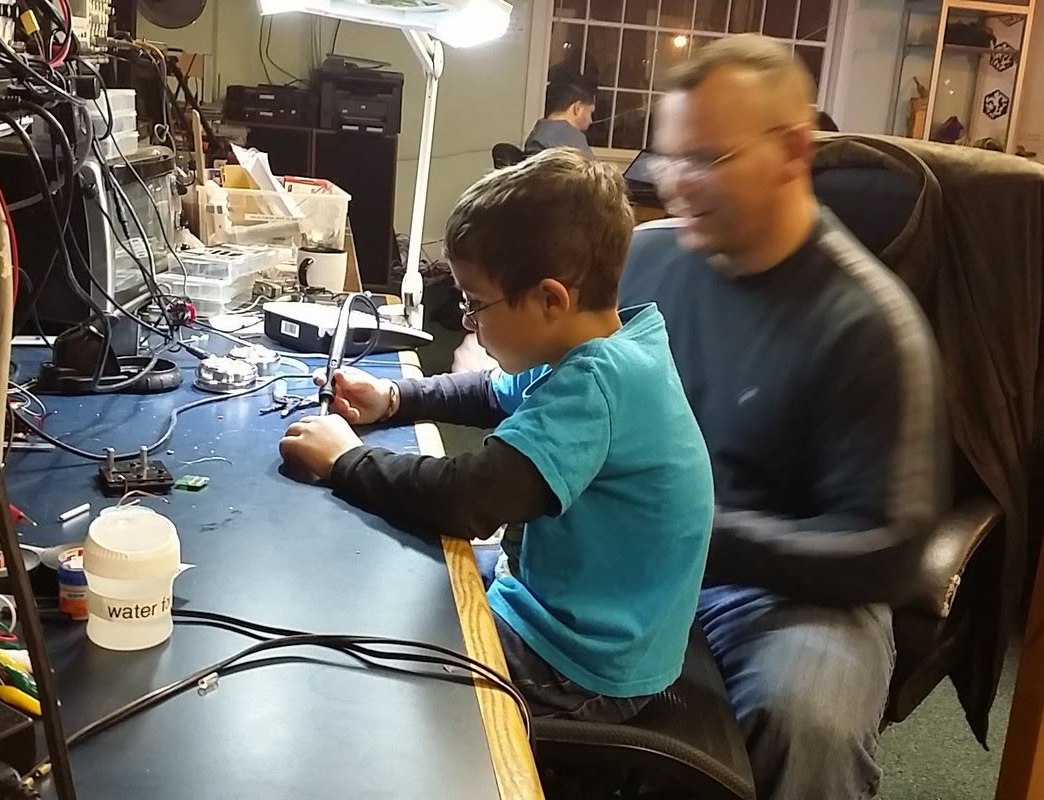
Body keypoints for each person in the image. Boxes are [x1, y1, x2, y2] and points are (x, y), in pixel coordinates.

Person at [279, 148, 715, 723]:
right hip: (560, 609)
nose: (469, 322)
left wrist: (347, 461)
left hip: (578, 662)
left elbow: (470, 499)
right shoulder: (601, 342)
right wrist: (395, 398)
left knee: (373, 686)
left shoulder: (599, 384)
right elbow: (489, 391)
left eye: (474, 303)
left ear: (550, 299)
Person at [628, 35, 949, 799]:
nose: (676, 185)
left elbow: (889, 548)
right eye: (669, 158)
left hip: (793, 594)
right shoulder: (644, 259)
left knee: (808, 721)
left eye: (706, 159)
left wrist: (694, 533)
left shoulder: (869, 324)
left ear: (794, 151)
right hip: (646, 545)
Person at [523, 72, 596, 157]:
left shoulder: (538, 132)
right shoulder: (573, 140)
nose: (591, 121)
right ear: (577, 108)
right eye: (590, 112)